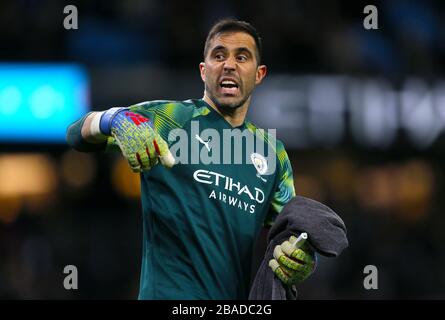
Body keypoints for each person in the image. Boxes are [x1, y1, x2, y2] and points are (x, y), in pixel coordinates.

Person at [66, 18, 316, 300]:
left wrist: (300, 258)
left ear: (259, 74)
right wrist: (114, 118)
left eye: (241, 57)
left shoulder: (273, 153)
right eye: (218, 55)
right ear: (203, 70)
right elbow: (76, 133)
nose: (229, 65)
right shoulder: (169, 119)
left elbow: (289, 238)